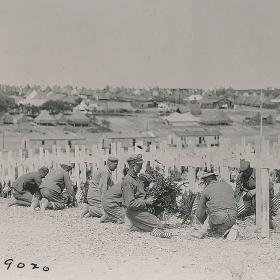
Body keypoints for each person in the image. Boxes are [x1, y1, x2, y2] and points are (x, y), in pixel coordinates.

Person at [121, 154, 172, 238]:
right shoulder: (128, 181)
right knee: (159, 226)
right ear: (133, 166)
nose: (141, 168)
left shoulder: (135, 178)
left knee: (158, 222)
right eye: (140, 166)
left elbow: (141, 194)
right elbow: (130, 204)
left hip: (140, 209)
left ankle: (138, 225)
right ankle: (139, 226)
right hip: (134, 211)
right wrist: (146, 202)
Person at [234, 159, 278, 229]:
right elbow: (237, 192)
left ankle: (268, 215)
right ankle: (250, 210)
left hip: (263, 193)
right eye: (243, 172)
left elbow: (269, 186)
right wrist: (236, 203)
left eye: (246, 171)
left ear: (250, 169)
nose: (244, 173)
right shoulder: (240, 177)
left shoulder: (259, 173)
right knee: (243, 209)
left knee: (261, 207)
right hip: (249, 193)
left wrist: (256, 190)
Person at [193, 172, 238, 239]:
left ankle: (221, 231)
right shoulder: (228, 185)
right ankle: (229, 230)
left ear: (206, 182)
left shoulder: (207, 189)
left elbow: (199, 213)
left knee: (210, 211)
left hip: (219, 218)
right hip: (233, 217)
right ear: (215, 178)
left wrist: (202, 222)